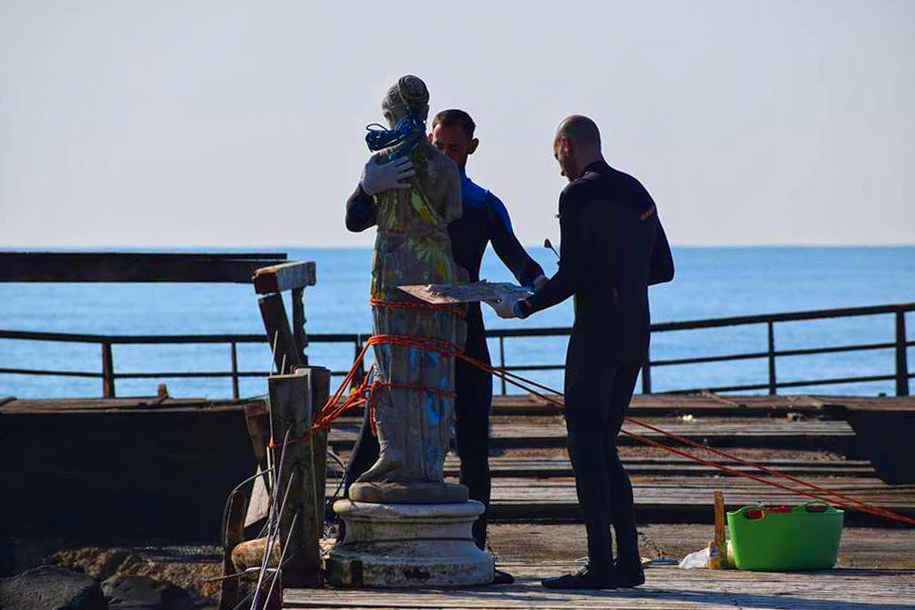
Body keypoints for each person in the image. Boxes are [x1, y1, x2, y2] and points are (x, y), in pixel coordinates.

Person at [345, 109, 546, 580]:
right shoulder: (401, 189)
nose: (447, 157)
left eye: (456, 149)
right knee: (381, 425)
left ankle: (477, 550)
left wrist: (539, 286)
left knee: (474, 431)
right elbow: (354, 220)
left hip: (464, 324)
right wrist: (365, 184)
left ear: (472, 148)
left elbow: (514, 254)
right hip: (408, 329)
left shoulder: (482, 203)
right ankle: (343, 526)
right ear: (428, 142)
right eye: (440, 147)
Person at [486, 115, 674, 589]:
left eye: (556, 157)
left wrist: (525, 304)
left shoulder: (577, 194)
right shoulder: (637, 191)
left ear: (566, 145)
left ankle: (600, 566)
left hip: (596, 335)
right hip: (635, 333)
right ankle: (628, 562)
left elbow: (570, 276)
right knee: (604, 445)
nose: (559, 169)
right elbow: (664, 268)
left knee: (585, 448)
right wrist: (619, 279)